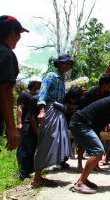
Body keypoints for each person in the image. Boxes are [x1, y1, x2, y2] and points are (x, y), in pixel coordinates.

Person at [0, 15, 28, 183]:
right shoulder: (5, 54)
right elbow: (4, 90)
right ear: (12, 33)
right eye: (19, 34)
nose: (18, 39)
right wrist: (11, 127)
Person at [32, 54, 74, 188]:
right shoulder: (51, 76)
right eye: (64, 63)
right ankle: (36, 178)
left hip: (58, 110)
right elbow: (43, 93)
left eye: (69, 64)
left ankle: (39, 176)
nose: (67, 66)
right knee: (46, 141)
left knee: (55, 141)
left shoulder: (62, 79)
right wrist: (42, 110)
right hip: (49, 109)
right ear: (58, 64)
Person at [16, 76, 42, 179]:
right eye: (38, 83)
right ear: (33, 83)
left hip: (35, 124)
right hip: (26, 124)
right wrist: (19, 123)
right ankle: (23, 172)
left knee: (33, 149)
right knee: (24, 149)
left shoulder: (39, 96)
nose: (40, 85)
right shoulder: (25, 95)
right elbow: (19, 109)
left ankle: (31, 169)